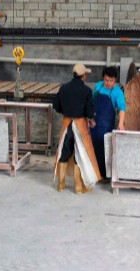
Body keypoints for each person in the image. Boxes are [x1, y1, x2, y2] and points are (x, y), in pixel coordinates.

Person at [51, 64, 100, 194]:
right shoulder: (87, 91)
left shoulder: (63, 88)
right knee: (80, 155)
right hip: (80, 125)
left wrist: (66, 112)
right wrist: (92, 120)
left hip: (67, 124)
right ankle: (78, 187)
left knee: (64, 153)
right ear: (83, 76)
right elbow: (89, 112)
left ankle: (61, 185)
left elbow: (56, 105)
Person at [91, 66, 127, 182]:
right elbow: (91, 102)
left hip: (106, 126)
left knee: (104, 150)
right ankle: (93, 173)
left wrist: (121, 123)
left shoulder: (117, 92)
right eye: (106, 80)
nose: (108, 83)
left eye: (111, 81)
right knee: (92, 148)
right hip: (93, 124)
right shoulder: (98, 86)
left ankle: (105, 176)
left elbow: (122, 108)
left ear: (115, 80)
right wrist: (89, 118)